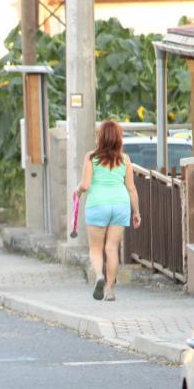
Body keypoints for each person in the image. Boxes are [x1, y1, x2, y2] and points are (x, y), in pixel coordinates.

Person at [75, 120, 141, 302]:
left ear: (101, 137)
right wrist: (136, 212)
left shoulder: (91, 157)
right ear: (118, 138)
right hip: (120, 204)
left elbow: (85, 185)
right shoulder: (125, 159)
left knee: (96, 248)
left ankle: (99, 276)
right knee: (112, 248)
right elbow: (131, 188)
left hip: (98, 204)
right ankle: (110, 290)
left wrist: (78, 190)